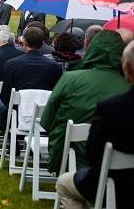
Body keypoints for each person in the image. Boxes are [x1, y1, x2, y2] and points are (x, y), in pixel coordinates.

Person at [55, 41, 134, 209]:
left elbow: (93, 153)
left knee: (64, 184)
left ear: (126, 67)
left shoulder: (112, 108)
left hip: (115, 185)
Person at [41, 30, 129, 175]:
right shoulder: (127, 88)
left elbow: (47, 120)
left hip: (73, 160)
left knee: (64, 186)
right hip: (120, 169)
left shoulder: (69, 79)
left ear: (90, 48)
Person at [0, 27, 63, 129]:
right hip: (45, 115)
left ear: (24, 42)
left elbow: (5, 96)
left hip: (17, 112)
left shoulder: (12, 64)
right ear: (42, 43)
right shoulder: (55, 66)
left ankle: (10, 137)